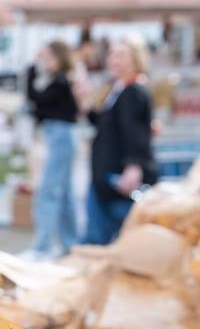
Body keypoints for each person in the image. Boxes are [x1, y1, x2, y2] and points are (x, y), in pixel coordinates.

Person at [80, 36, 158, 245]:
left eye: (122, 55)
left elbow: (135, 132)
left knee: (114, 237)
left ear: (135, 59)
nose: (115, 60)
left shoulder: (133, 90)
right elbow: (106, 126)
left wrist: (133, 166)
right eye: (113, 54)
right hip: (105, 175)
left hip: (118, 178)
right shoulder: (118, 88)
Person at [19, 40, 80, 261]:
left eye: (49, 57)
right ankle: (69, 243)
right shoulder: (59, 81)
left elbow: (35, 98)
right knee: (64, 193)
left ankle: (41, 246)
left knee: (47, 192)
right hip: (59, 135)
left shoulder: (61, 82)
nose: (46, 62)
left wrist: (32, 68)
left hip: (61, 136)